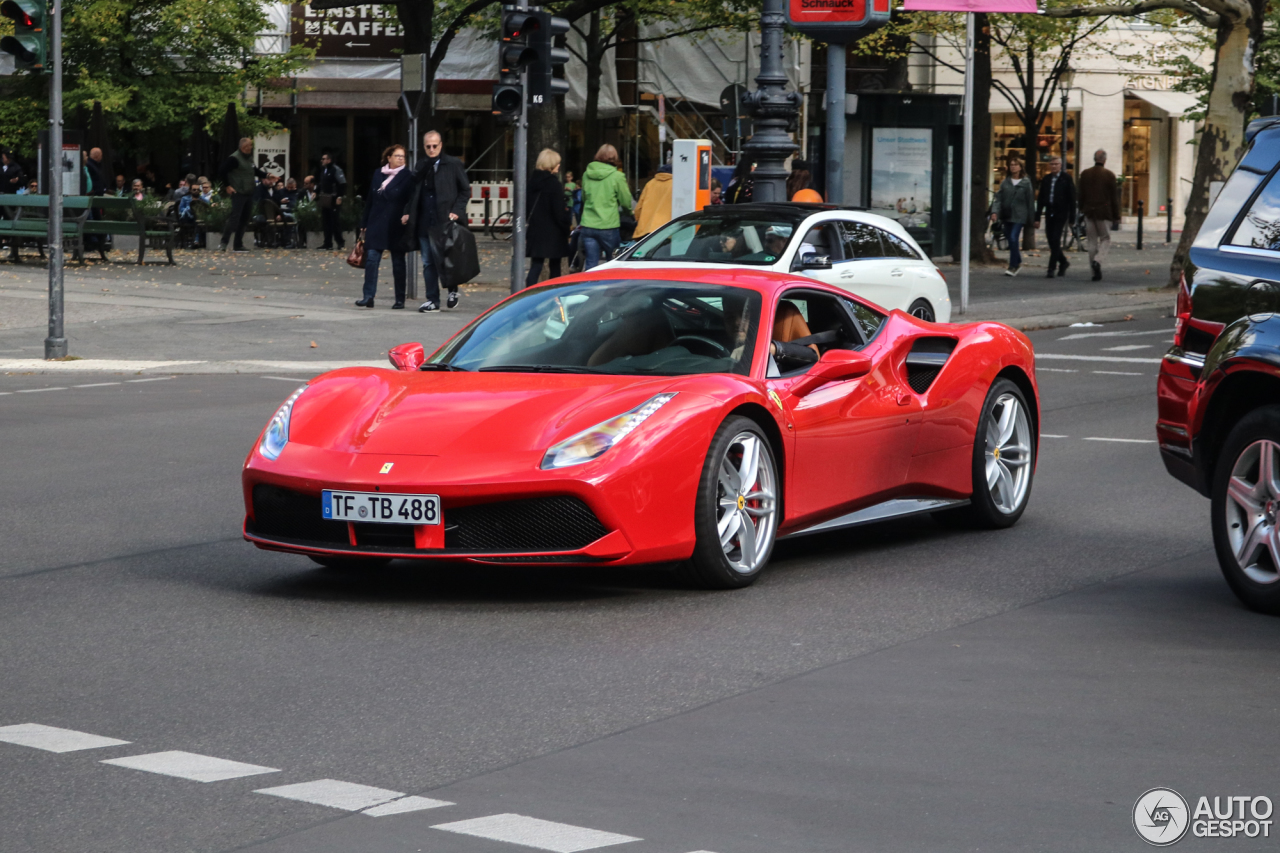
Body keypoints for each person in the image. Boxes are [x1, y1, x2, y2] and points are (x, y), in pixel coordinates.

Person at [402, 130, 470, 312]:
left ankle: (453, 291)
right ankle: (433, 300)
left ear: (440, 145)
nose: (432, 149)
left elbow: (465, 190)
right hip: (426, 221)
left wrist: (456, 211)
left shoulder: (453, 164)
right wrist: (408, 211)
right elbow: (414, 191)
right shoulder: (422, 165)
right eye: (428, 146)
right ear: (424, 147)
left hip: (445, 221)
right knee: (428, 262)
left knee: (448, 259)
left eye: (435, 146)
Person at [356, 144, 414, 308]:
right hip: (376, 222)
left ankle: (399, 299)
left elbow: (411, 198)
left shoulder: (407, 176)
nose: (401, 159)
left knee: (398, 262)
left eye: (403, 156)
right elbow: (370, 199)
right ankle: (368, 296)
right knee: (372, 259)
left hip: (396, 223)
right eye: (397, 156)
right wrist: (364, 223)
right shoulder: (378, 173)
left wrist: (408, 214)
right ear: (388, 157)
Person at [579, 143, 633, 270]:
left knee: (591, 263)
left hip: (588, 224)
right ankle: (611, 289)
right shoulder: (617, 176)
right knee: (613, 263)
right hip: (609, 225)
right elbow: (626, 201)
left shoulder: (586, 174)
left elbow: (584, 198)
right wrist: (629, 213)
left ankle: (590, 288)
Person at [525, 148, 571, 288]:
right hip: (553, 231)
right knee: (555, 265)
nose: (558, 166)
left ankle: (528, 291)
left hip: (536, 229)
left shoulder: (532, 182)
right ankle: (552, 292)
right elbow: (558, 212)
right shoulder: (554, 184)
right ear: (551, 165)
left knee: (536, 264)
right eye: (557, 163)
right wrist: (566, 226)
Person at [217, 137, 266, 253]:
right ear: (244, 147)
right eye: (250, 145)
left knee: (245, 219)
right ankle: (223, 243)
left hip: (248, 191)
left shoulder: (248, 158)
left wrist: (267, 176)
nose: (251, 147)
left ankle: (238, 244)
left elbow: (255, 171)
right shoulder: (234, 159)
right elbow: (221, 171)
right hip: (238, 192)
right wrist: (227, 185)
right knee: (234, 218)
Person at [1079, 149, 1120, 281]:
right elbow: (1114, 197)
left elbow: (1081, 194)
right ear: (1104, 160)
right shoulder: (1109, 175)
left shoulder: (1085, 174)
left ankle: (1094, 271)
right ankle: (1098, 260)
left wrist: (1081, 209)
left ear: (1094, 158)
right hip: (1104, 212)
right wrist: (1116, 215)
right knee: (1105, 238)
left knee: (1091, 241)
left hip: (1089, 211)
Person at [991, 158, 1035, 276]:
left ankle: (1013, 266)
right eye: (1011, 165)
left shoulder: (1026, 183)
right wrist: (994, 212)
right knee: (1010, 239)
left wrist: (1033, 219)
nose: (1013, 167)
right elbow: (998, 199)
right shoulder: (1006, 182)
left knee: (1013, 237)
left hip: (1020, 215)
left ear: (1021, 167)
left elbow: (1030, 201)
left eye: (1016, 165)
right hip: (1007, 215)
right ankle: (1018, 260)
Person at [1034, 156, 1076, 278]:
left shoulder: (1066, 179)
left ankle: (1051, 268)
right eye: (1051, 164)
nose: (1053, 166)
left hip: (1061, 213)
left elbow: (1072, 199)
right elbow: (1041, 199)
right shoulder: (1046, 179)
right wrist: (1037, 217)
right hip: (1049, 212)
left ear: (1060, 165)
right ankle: (1063, 262)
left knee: (1056, 239)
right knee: (1050, 239)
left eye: (1056, 164)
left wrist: (1072, 218)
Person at [313, 151, 347, 251]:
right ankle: (327, 243)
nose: (322, 161)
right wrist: (316, 191)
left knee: (334, 221)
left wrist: (340, 196)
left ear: (329, 160)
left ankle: (340, 242)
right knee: (326, 221)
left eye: (324, 159)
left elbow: (342, 183)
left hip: (333, 198)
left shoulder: (335, 169)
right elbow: (321, 183)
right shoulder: (324, 170)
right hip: (325, 197)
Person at [632, 164, 673, 239]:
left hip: (647, 230)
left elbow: (638, 208)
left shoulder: (649, 184)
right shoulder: (675, 184)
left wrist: (639, 221)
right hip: (667, 230)